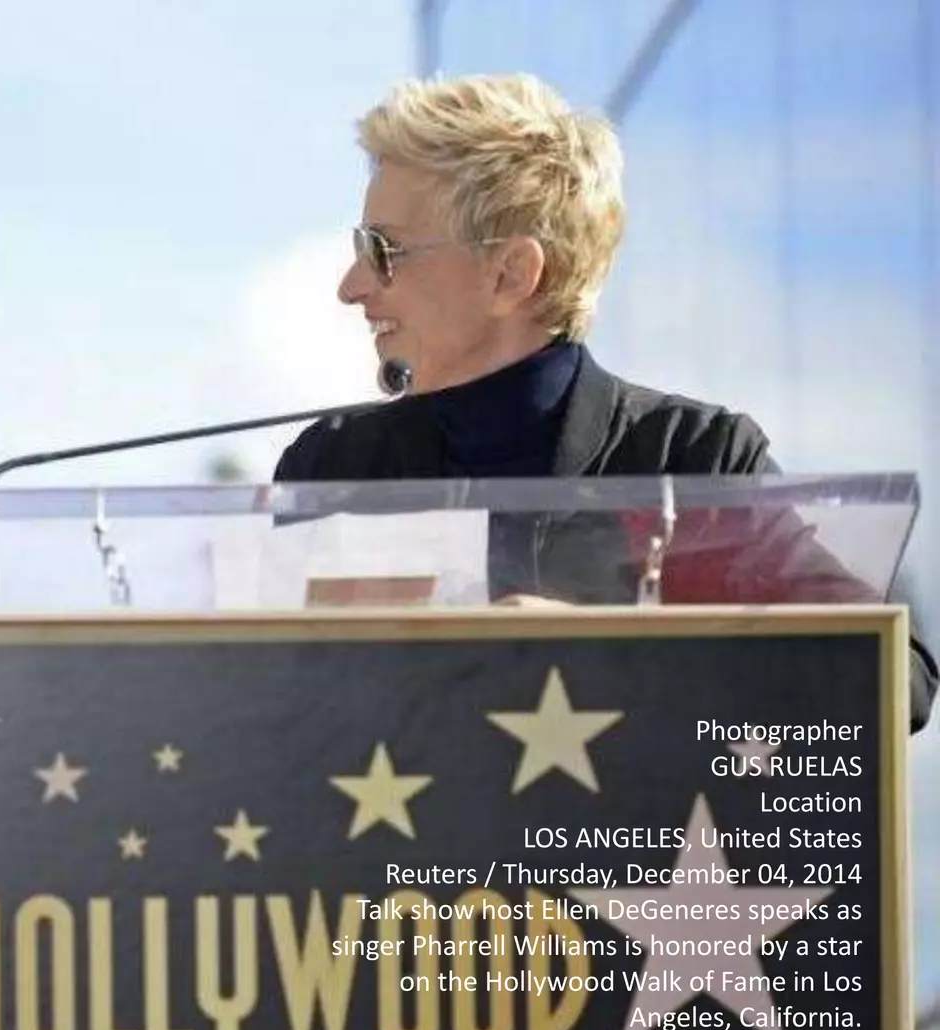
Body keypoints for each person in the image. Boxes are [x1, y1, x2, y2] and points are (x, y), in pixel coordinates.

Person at [278, 72, 934, 732]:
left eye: (382, 250)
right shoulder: (332, 466)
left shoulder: (692, 458)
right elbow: (259, 710)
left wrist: (611, 657)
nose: (352, 285)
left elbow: (895, 679)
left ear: (510, 274)